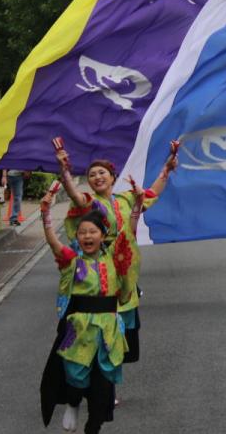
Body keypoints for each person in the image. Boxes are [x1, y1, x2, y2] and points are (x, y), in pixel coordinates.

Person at [55, 141, 177, 368]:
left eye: (102, 173)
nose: (97, 177)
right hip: (99, 265)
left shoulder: (126, 199)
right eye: (92, 175)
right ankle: (94, 367)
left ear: (113, 177)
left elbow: (151, 193)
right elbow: (75, 196)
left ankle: (111, 367)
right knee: (100, 317)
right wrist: (65, 172)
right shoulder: (90, 202)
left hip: (124, 266)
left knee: (124, 316)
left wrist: (167, 169)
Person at [39, 184, 141, 434]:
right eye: (82, 232)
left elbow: (128, 234)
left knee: (103, 388)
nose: (87, 236)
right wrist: (45, 214)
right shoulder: (71, 262)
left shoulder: (113, 258)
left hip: (109, 331)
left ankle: (93, 426)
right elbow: (53, 243)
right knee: (76, 378)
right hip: (80, 331)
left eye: (92, 231)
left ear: (102, 236)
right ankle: (73, 403)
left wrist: (137, 205)